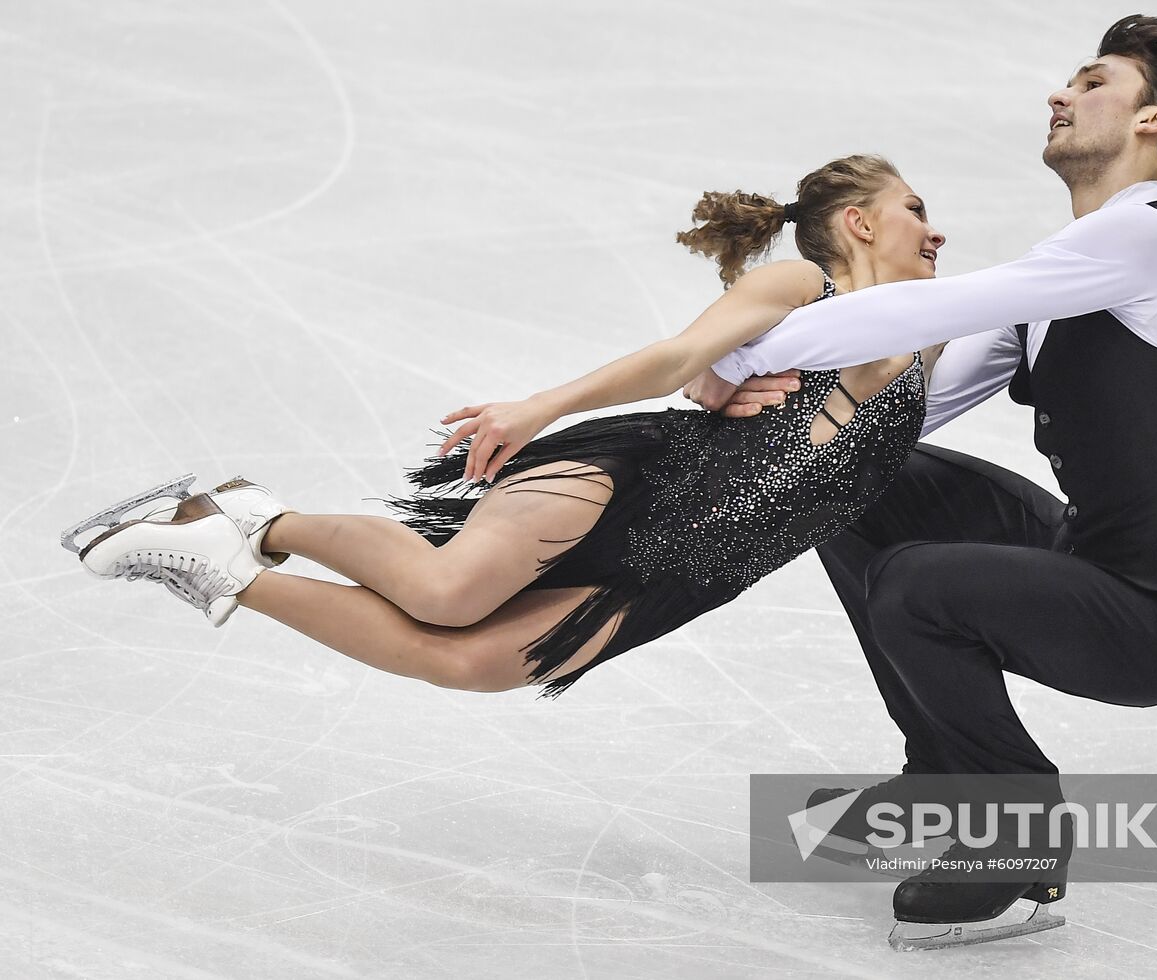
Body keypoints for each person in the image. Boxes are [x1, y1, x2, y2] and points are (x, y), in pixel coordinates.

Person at [685, 14, 1157, 949]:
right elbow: (900, 418)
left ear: (1153, 118)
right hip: (1092, 559)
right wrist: (757, 425)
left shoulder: (1142, 243)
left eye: (1091, 82)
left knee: (919, 583)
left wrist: (736, 344)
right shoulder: (1071, 276)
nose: (1060, 93)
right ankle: (941, 780)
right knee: (862, 477)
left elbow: (939, 304)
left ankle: (1014, 831)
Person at [62, 155, 948, 700]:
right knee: (449, 594)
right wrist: (544, 407)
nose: (936, 229)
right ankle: (261, 519)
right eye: (915, 208)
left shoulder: (932, 336)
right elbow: (678, 361)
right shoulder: (801, 287)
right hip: (642, 480)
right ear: (859, 221)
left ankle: (224, 562)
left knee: (472, 664)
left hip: (700, 565)